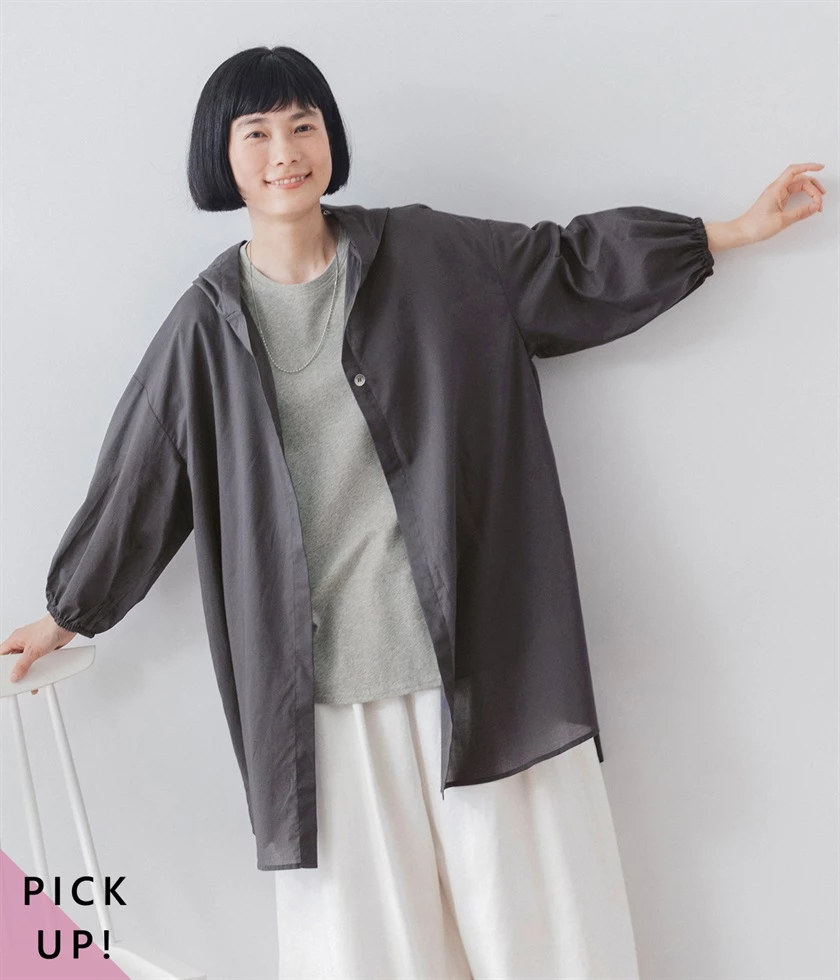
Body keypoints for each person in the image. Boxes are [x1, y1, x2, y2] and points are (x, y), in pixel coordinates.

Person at [1, 43, 825, 980]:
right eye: (256, 132)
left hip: (477, 665)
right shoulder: (208, 327)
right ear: (221, 158)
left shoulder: (430, 255)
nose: (285, 151)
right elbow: (145, 476)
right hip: (326, 700)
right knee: (370, 955)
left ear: (330, 138)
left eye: (303, 125)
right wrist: (68, 612)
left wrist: (726, 233)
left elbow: (567, 264)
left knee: (540, 937)